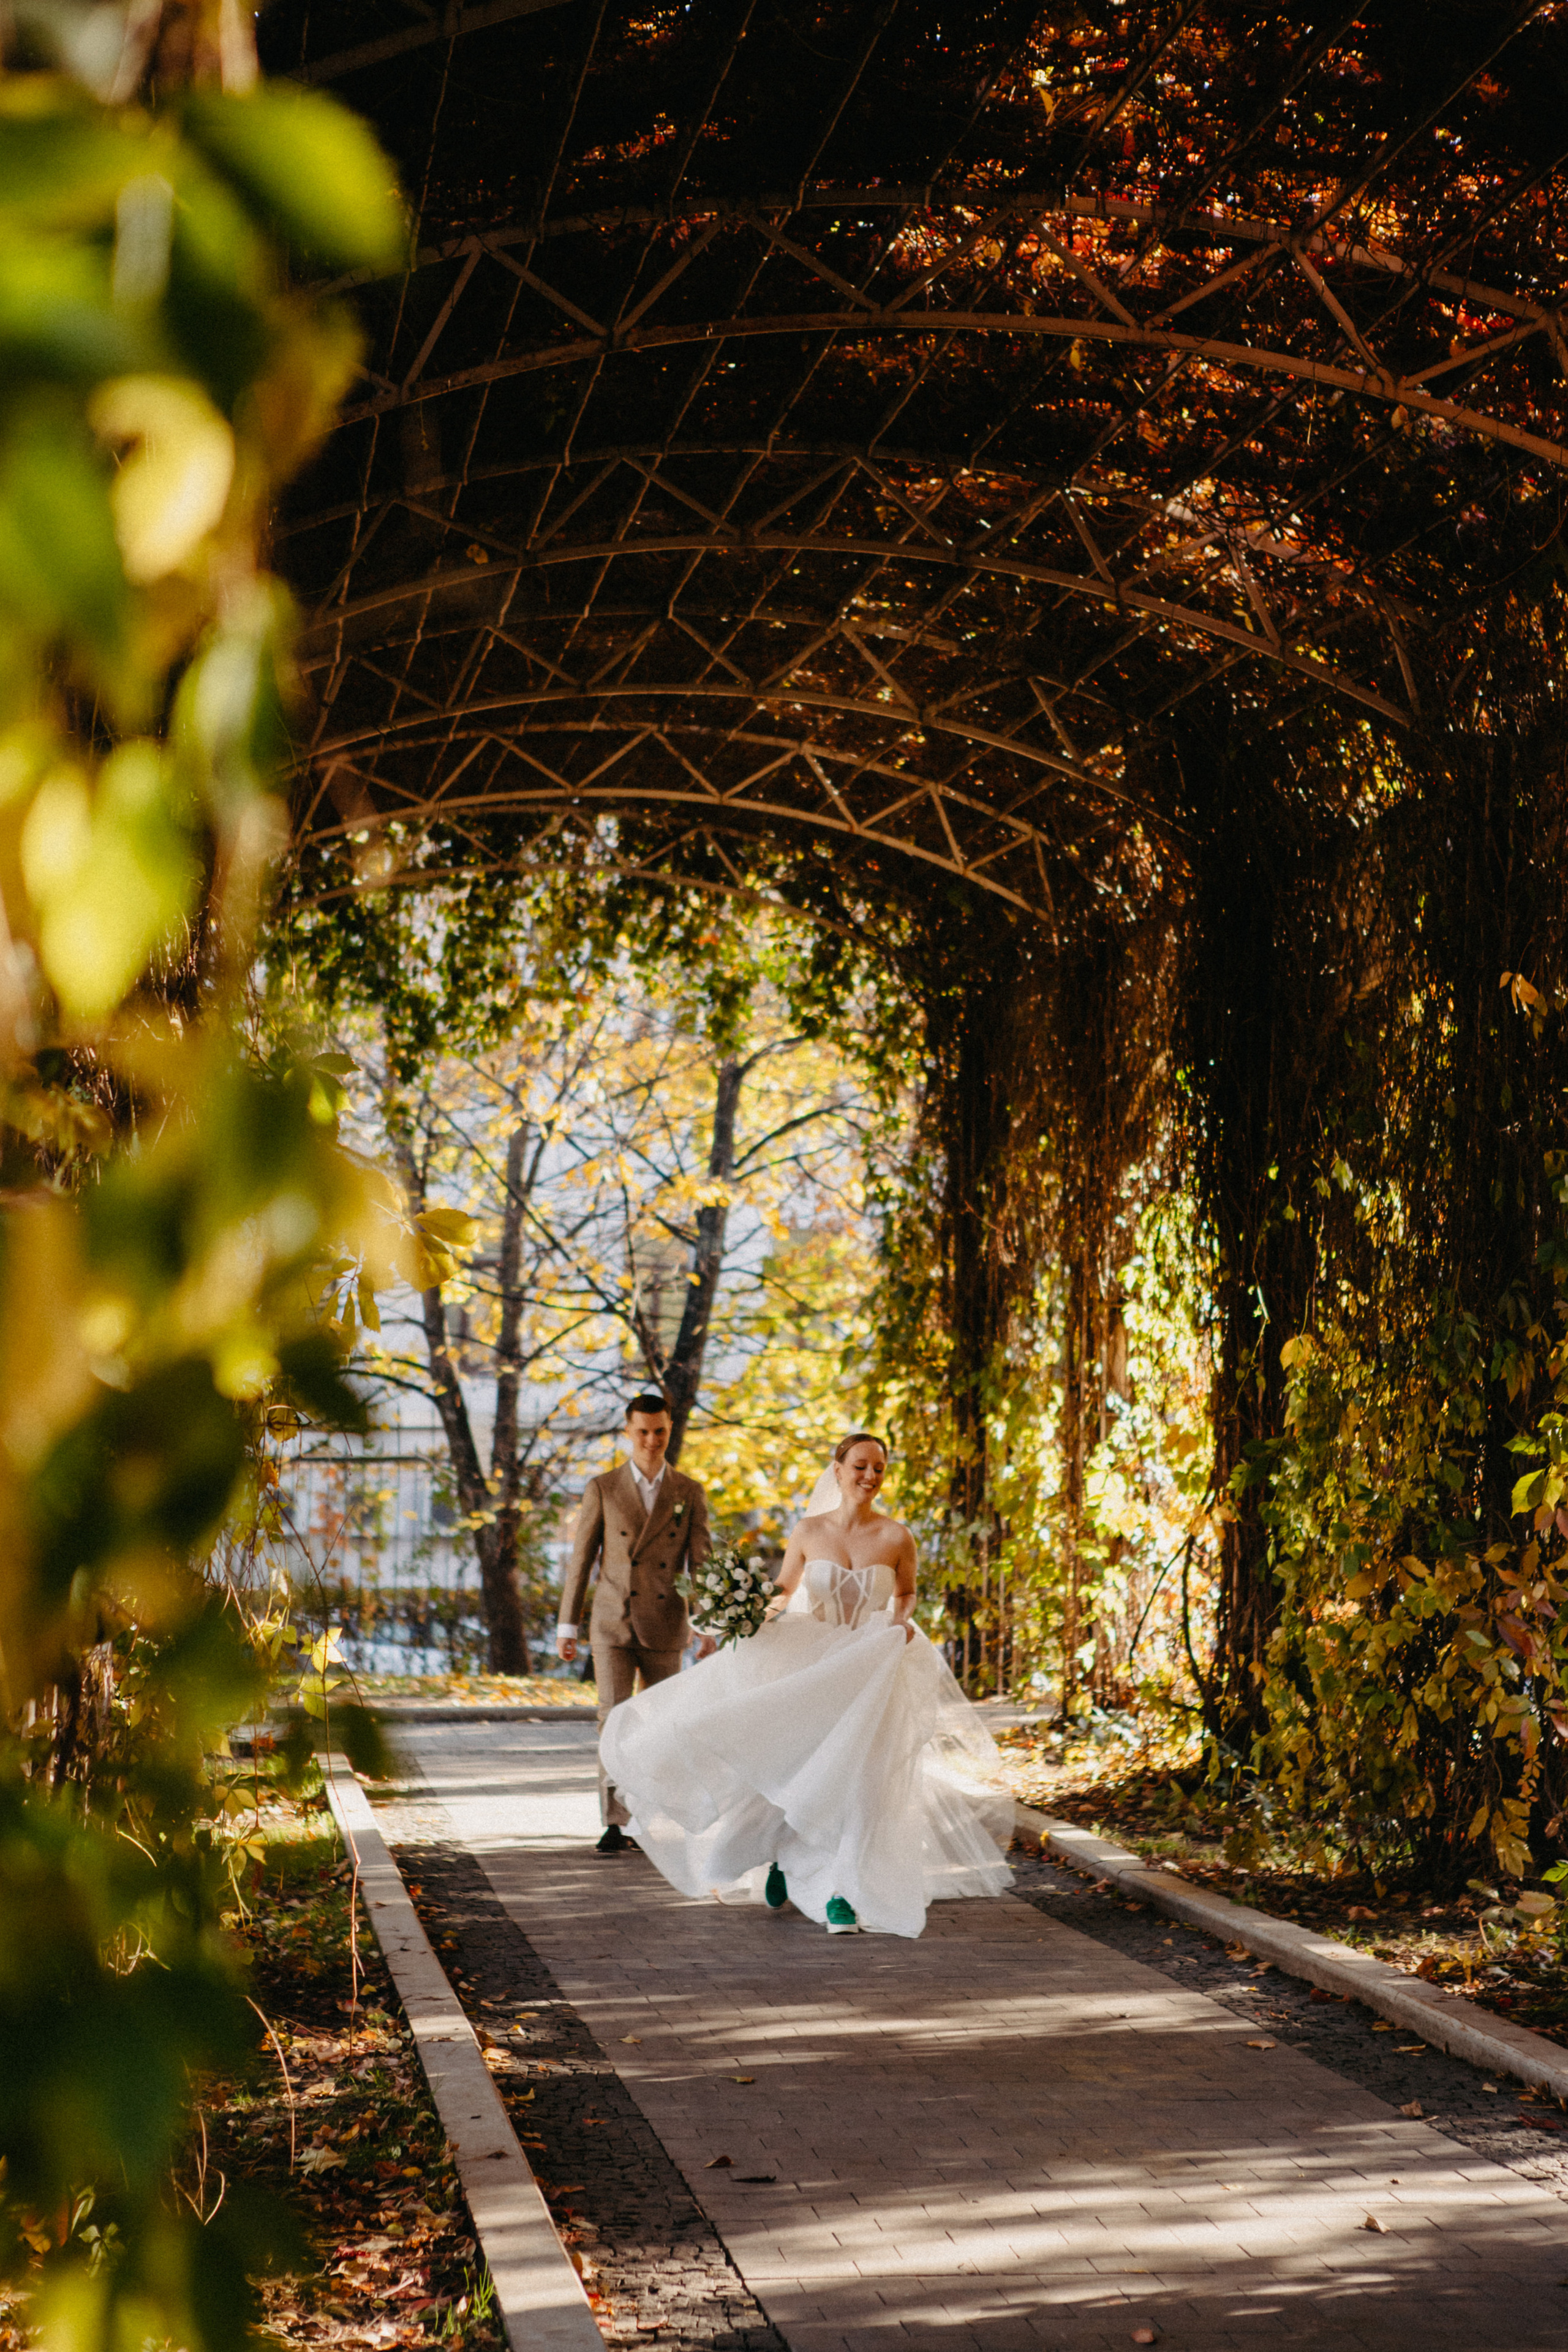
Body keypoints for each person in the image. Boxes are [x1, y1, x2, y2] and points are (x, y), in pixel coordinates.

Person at [597, 1432, 1014, 1934]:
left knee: (859, 1782)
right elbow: (783, 1591)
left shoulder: (897, 1536)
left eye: (879, 1468)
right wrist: (751, 1615)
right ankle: (782, 1853)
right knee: (800, 1769)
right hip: (812, 1664)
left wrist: (901, 1621)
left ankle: (840, 1892)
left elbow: (905, 1593)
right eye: (860, 1466)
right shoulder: (809, 1531)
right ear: (838, 1470)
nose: (870, 1476)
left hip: (869, 1667)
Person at [557, 1393, 714, 1855]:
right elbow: (581, 1561)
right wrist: (567, 1626)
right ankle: (614, 1820)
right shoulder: (603, 1488)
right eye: (642, 1431)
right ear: (628, 1431)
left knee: (662, 1725)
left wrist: (706, 1623)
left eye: (659, 1431)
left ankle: (652, 1817)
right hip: (613, 1621)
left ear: (670, 1430)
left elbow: (701, 1563)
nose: (651, 1440)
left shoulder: (689, 1491)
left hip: (666, 1621)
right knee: (613, 1718)